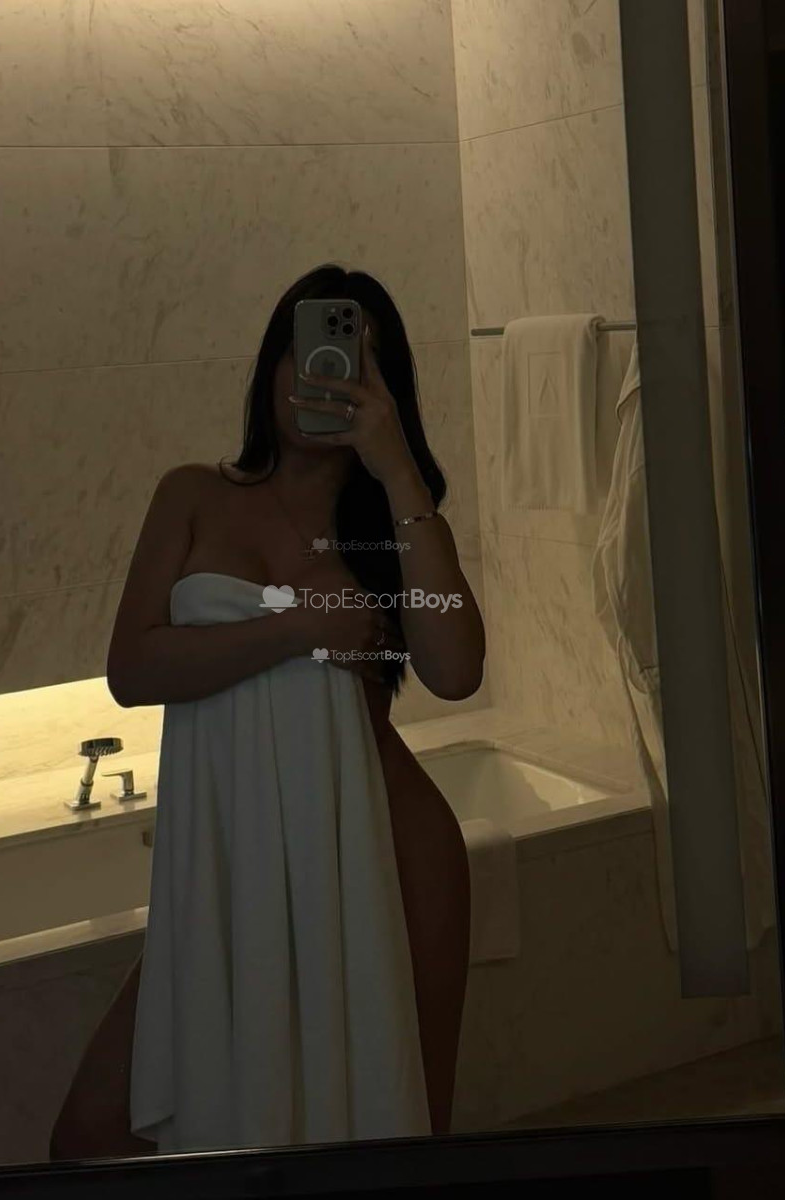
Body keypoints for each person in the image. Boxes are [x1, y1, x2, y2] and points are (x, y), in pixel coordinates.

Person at [50, 264, 483, 1159]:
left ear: (383, 387)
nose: (316, 372)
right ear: (270, 363)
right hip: (229, 851)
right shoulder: (191, 493)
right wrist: (300, 628)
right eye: (299, 347)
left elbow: (454, 670)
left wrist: (398, 471)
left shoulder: (387, 523)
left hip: (384, 840)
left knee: (394, 1131)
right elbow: (133, 669)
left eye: (349, 360)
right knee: (91, 1137)